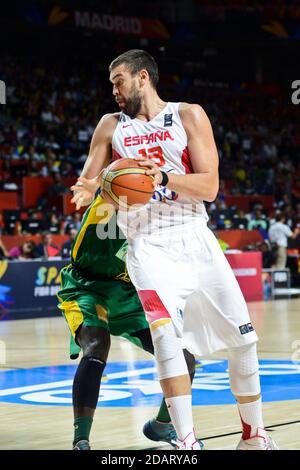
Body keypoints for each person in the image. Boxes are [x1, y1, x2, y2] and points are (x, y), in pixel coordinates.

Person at [70, 49, 278, 450]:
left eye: (119, 80)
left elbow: (210, 187)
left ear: (143, 77)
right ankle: (186, 441)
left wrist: (162, 176)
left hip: (194, 235)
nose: (113, 90)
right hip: (147, 245)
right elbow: (89, 181)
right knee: (168, 340)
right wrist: (88, 189)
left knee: (244, 340)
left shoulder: (189, 115)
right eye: (111, 83)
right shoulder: (110, 126)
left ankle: (254, 436)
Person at [57, 194, 199, 450]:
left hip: (132, 293)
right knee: (97, 346)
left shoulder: (163, 222)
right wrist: (100, 184)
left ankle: (162, 425)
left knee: (185, 358)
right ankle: (81, 439)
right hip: (88, 287)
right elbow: (107, 180)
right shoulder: (110, 201)